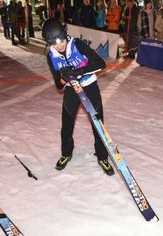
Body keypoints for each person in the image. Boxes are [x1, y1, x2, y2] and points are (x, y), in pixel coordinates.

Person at [42, 18, 114, 175]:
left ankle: (102, 156)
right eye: (54, 43)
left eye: (60, 40)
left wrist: (78, 71)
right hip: (71, 91)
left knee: (98, 123)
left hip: (89, 86)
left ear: (64, 34)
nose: (59, 45)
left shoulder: (76, 44)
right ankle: (66, 153)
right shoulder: (51, 56)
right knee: (66, 125)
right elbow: (58, 85)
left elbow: (100, 63)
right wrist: (64, 77)